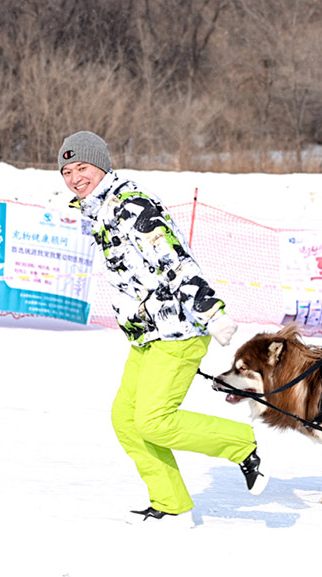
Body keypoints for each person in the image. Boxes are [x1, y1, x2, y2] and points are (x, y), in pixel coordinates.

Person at [58, 131, 266, 527]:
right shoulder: (97, 210)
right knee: (126, 420)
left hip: (179, 332)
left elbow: (176, 260)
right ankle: (171, 504)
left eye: (82, 167)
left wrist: (211, 312)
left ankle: (240, 445)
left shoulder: (131, 204)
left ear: (101, 164)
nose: (74, 177)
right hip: (146, 335)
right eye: (67, 171)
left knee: (154, 420)